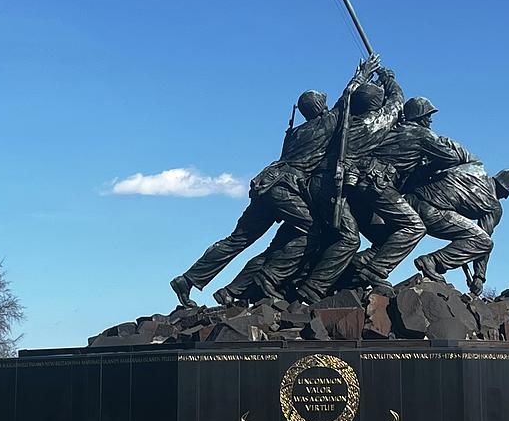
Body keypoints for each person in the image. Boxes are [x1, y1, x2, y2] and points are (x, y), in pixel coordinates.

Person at [170, 55, 379, 307]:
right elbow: (346, 98)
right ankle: (269, 280)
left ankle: (189, 279)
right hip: (285, 189)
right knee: (313, 231)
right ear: (320, 108)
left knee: (238, 239)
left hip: (265, 184)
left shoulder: (295, 133)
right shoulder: (326, 123)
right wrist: (363, 73)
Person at [296, 67, 405, 302]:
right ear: (376, 105)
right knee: (349, 238)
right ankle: (312, 288)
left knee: (329, 235)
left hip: (316, 182)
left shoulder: (339, 121)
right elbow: (397, 102)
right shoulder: (374, 123)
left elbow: (344, 99)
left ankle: (310, 281)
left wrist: (362, 78)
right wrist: (389, 80)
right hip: (331, 184)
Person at [342, 96, 472, 288]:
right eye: (428, 116)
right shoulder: (422, 135)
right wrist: (428, 164)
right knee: (415, 227)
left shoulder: (390, 131)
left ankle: (349, 273)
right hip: (378, 184)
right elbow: (450, 158)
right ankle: (375, 271)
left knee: (387, 236)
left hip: (358, 185)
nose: (430, 121)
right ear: (420, 117)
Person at [409, 166, 509, 295]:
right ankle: (433, 261)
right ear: (504, 187)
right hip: (432, 211)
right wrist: (479, 277)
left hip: (410, 200)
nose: (506, 198)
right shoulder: (493, 206)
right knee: (484, 242)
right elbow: (483, 240)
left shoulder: (473, 172)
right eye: (508, 194)